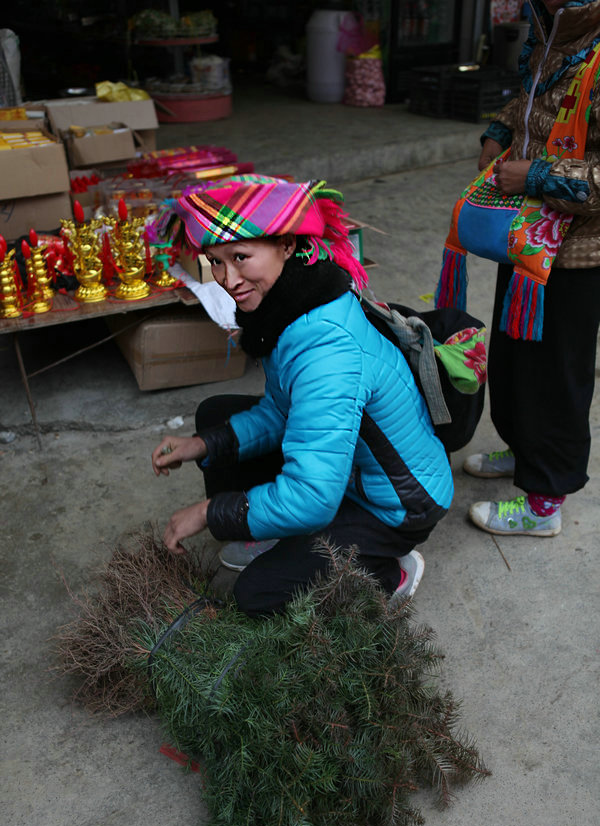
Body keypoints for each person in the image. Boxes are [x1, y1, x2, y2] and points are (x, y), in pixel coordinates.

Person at [151, 177, 453, 617]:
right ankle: (280, 534)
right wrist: (201, 446)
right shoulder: (293, 305)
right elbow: (281, 411)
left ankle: (387, 572)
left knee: (256, 596)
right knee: (214, 416)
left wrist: (210, 512)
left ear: (288, 245)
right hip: (350, 471)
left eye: (240, 257)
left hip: (397, 503)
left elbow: (312, 496)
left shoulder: (326, 348)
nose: (227, 280)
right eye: (214, 262)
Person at [463, 0, 600, 536]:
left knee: (556, 376)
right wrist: (498, 133)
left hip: (576, 251)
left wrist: (538, 177)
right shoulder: (552, 32)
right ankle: (524, 452)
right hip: (526, 238)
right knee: (515, 357)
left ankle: (545, 502)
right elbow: (530, 100)